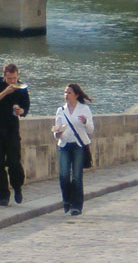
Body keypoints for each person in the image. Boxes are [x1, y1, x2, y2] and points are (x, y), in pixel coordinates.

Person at [0, 63, 30, 206]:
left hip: (12, 129)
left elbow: (26, 106)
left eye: (15, 78)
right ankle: (3, 196)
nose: (12, 82)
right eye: (10, 78)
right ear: (4, 76)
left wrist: (21, 111)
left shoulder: (22, 88)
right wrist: (5, 92)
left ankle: (17, 187)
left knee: (14, 162)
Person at [53, 83, 94, 216]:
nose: (66, 95)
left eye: (69, 92)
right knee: (64, 175)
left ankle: (76, 205)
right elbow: (57, 129)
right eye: (65, 92)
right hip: (64, 144)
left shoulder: (84, 109)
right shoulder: (61, 110)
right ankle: (67, 200)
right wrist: (57, 133)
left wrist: (85, 122)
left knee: (77, 176)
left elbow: (91, 129)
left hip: (78, 145)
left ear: (76, 95)